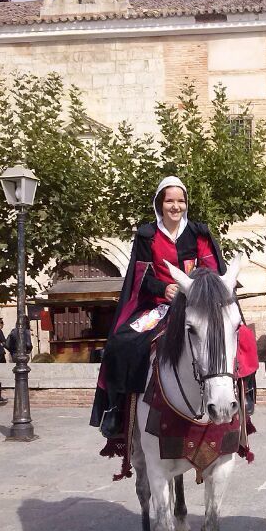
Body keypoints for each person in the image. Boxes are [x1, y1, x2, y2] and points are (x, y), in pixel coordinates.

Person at [90, 176, 226, 439]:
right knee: (121, 342)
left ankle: (244, 396)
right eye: (170, 201)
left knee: (237, 333)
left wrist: (191, 287)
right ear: (160, 204)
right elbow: (140, 276)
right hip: (160, 307)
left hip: (195, 304)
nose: (176, 206)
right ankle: (117, 410)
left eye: (181, 201)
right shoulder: (147, 236)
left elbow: (211, 271)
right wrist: (163, 289)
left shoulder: (198, 233)